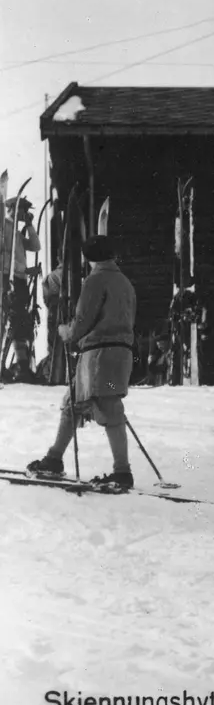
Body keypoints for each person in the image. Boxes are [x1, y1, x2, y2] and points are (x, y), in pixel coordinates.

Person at [26, 235, 138, 491]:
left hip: (100, 356)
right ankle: (54, 458)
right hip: (118, 354)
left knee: (109, 407)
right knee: (73, 403)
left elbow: (82, 320)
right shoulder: (124, 282)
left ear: (88, 257)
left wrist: (66, 332)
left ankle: (122, 472)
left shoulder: (95, 280)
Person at [2, 196, 42, 381]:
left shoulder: (17, 232)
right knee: (9, 320)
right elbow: (5, 258)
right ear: (13, 208)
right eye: (23, 210)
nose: (25, 214)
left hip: (20, 281)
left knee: (20, 321)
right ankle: (15, 364)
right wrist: (24, 270)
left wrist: (30, 226)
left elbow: (35, 246)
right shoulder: (4, 227)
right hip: (9, 280)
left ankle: (22, 365)